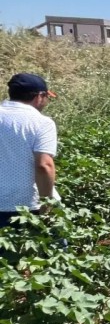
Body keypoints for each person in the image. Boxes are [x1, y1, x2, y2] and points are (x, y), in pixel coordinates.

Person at [0, 72, 58, 228]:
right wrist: (47, 207)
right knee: (51, 249)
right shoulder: (41, 123)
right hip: (26, 207)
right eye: (47, 97)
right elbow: (44, 166)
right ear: (39, 96)